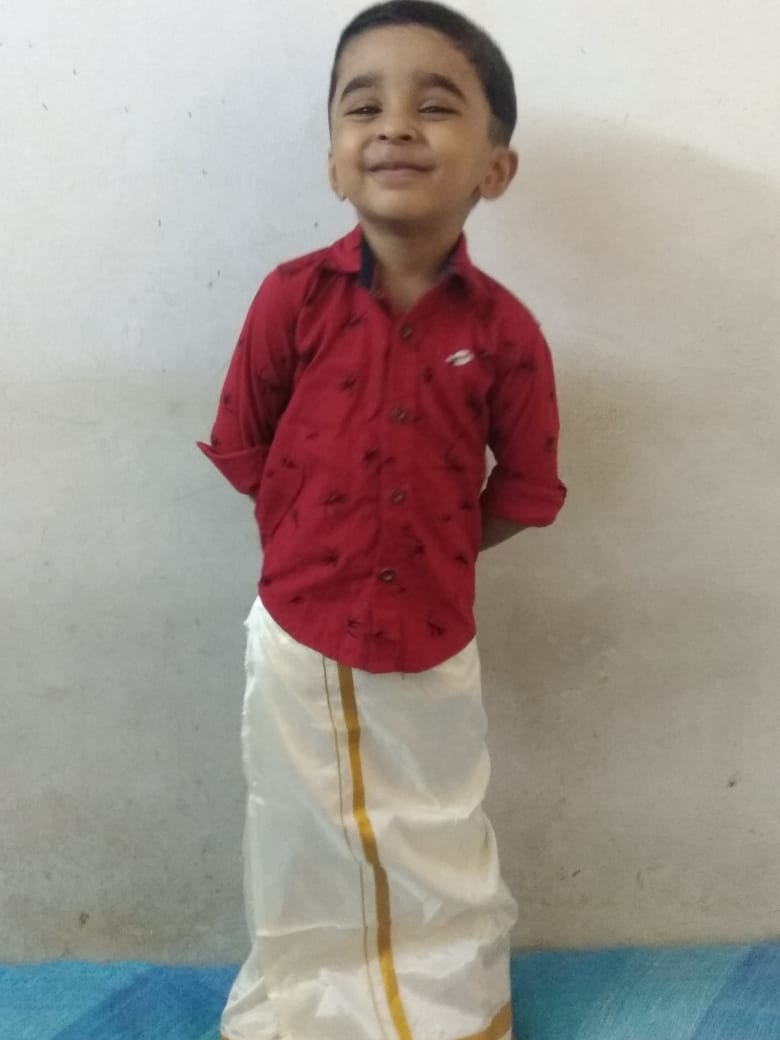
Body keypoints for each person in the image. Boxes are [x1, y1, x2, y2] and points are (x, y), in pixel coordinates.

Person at [198, 3, 566, 1038]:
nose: (395, 124)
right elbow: (244, 447)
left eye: (435, 105)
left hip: (434, 637)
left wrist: (428, 549)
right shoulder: (291, 302)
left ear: (496, 168)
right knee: (301, 829)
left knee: (438, 829)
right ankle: (308, 1010)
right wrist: (324, 544)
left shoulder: (508, 336)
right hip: (298, 635)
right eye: (364, 106)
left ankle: (450, 1011)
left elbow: (524, 490)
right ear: (333, 160)